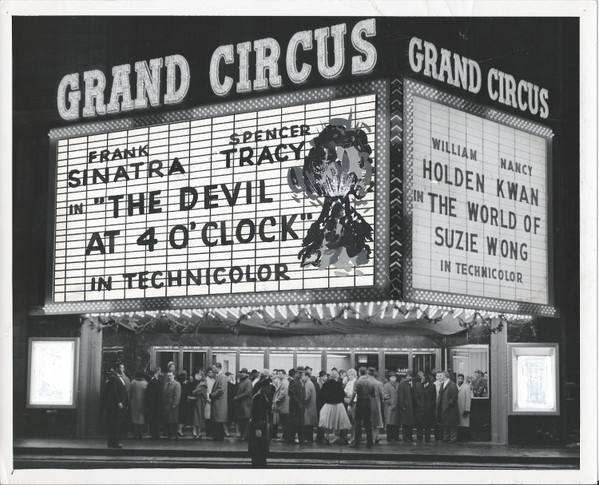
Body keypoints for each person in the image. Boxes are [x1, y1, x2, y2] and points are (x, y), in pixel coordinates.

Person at [318, 370, 351, 444]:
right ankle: (335, 437)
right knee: (338, 422)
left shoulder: (325, 384)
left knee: (327, 422)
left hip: (328, 405)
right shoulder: (338, 384)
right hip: (338, 405)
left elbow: (321, 395)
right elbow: (342, 395)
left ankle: (327, 437)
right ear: (337, 376)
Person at [104, 363, 129, 448]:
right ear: (117, 369)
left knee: (117, 424)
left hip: (121, 404)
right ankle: (113, 442)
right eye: (121, 368)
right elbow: (113, 391)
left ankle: (113, 442)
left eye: (123, 368)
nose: (123, 369)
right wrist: (118, 402)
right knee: (115, 423)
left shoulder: (119, 378)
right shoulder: (113, 378)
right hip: (116, 406)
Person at [348, 367, 375, 448]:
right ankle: (369, 442)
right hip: (368, 402)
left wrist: (350, 404)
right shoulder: (371, 382)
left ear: (359, 373)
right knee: (368, 423)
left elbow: (354, 393)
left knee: (358, 423)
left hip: (360, 402)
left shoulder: (358, 382)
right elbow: (373, 394)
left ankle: (356, 443)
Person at [249, 374, 272, 467]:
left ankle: (260, 462)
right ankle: (258, 463)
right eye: (268, 386)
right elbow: (257, 413)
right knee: (258, 445)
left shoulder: (263, 396)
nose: (269, 388)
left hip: (262, 424)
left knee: (261, 445)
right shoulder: (259, 397)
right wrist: (257, 428)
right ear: (264, 387)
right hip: (259, 425)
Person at [437, 370, 460, 443]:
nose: (440, 377)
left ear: (445, 376)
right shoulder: (443, 384)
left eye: (441, 375)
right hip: (443, 407)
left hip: (450, 408)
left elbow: (454, 396)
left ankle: (453, 438)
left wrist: (449, 403)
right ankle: (446, 437)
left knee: (451, 424)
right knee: (445, 423)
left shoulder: (452, 384)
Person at [414, 372, 437, 442]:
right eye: (421, 378)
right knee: (419, 424)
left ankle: (427, 438)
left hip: (429, 408)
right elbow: (416, 396)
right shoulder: (418, 385)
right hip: (420, 408)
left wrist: (430, 406)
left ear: (427, 379)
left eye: (423, 379)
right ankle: (419, 438)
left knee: (428, 424)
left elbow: (434, 397)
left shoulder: (432, 386)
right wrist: (419, 404)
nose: (421, 380)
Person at [286, 367, 306, 444]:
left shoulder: (300, 381)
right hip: (295, 407)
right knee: (296, 424)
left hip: (299, 406)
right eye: (300, 373)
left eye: (302, 373)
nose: (301, 374)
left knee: (297, 424)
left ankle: (296, 439)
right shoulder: (294, 381)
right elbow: (291, 393)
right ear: (297, 373)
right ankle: (299, 440)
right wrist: (298, 403)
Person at [210, 362, 229, 441]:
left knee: (218, 420)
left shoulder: (222, 377)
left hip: (219, 402)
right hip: (218, 401)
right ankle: (218, 436)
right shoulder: (220, 376)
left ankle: (218, 437)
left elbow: (221, 389)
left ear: (218, 367)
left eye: (214, 368)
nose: (212, 369)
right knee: (218, 420)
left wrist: (212, 394)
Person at [367, 368, 386, 444]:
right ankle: (374, 438)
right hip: (376, 404)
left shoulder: (364, 382)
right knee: (376, 422)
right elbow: (383, 395)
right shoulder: (379, 383)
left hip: (366, 404)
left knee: (368, 422)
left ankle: (371, 438)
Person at [233, 368, 253, 440]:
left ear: (246, 374)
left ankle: (246, 435)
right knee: (242, 420)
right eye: (241, 373)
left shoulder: (248, 382)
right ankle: (242, 434)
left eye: (243, 373)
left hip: (245, 404)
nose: (242, 374)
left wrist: (237, 397)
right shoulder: (241, 381)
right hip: (241, 404)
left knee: (246, 420)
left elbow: (247, 392)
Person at [397, 371, 416, 443]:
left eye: (410, 376)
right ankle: (406, 437)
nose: (409, 377)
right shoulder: (402, 385)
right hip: (406, 406)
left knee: (411, 423)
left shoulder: (414, 384)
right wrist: (402, 406)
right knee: (405, 424)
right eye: (407, 376)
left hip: (412, 407)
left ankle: (410, 436)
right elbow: (400, 396)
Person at [162, 370, 181, 439]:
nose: (169, 377)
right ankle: (168, 434)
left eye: (170, 376)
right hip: (166, 405)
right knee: (167, 420)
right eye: (168, 376)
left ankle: (173, 434)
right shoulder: (166, 384)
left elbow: (177, 395)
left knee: (173, 420)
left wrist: (175, 404)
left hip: (172, 405)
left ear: (174, 376)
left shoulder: (176, 384)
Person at [272, 369, 289, 440]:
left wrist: (276, 401)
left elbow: (283, 394)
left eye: (280, 374)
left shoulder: (284, 383)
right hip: (283, 405)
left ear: (284, 374)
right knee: (284, 422)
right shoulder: (282, 382)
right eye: (278, 374)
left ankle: (285, 436)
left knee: (284, 422)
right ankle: (285, 436)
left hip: (283, 405)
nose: (278, 375)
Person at [146, 367, 163, 440]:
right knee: (155, 420)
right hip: (155, 405)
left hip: (154, 404)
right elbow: (153, 395)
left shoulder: (153, 381)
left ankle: (155, 433)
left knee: (155, 420)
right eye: (160, 371)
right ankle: (155, 434)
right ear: (157, 371)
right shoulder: (154, 382)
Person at [130, 371, 148, 439]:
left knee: (134, 418)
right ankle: (140, 433)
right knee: (141, 418)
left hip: (134, 402)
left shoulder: (133, 382)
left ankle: (135, 433)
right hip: (142, 403)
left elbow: (130, 392)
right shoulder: (145, 383)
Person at [383, 371, 400, 441]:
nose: (393, 378)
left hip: (397, 407)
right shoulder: (386, 385)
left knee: (396, 423)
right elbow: (386, 396)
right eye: (392, 377)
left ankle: (396, 437)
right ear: (389, 378)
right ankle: (390, 437)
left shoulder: (398, 384)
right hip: (389, 407)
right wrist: (393, 403)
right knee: (389, 423)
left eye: (394, 377)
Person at [191, 370, 207, 439]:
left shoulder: (202, 384)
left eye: (199, 375)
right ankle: (198, 433)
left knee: (198, 417)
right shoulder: (201, 383)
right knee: (197, 417)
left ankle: (199, 433)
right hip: (198, 402)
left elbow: (195, 392)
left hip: (200, 402)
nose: (197, 376)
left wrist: (194, 391)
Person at [302, 370, 318, 443]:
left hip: (308, 407)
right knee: (309, 425)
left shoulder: (308, 384)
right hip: (311, 407)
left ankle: (308, 439)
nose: (302, 377)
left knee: (308, 425)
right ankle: (309, 439)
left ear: (307, 376)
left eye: (303, 376)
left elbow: (307, 396)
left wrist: (301, 402)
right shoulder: (310, 383)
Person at [457, 374, 472, 442]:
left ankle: (465, 438)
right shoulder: (456, 386)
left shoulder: (466, 387)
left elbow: (468, 399)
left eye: (461, 378)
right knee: (459, 423)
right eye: (459, 378)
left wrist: (467, 409)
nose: (460, 380)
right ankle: (460, 437)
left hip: (463, 407)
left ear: (463, 379)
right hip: (457, 408)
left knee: (465, 423)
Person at [176, 371, 191, 437]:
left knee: (179, 417)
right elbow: (186, 394)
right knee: (182, 417)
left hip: (179, 403)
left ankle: (178, 430)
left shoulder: (178, 384)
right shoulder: (185, 385)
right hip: (183, 403)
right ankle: (179, 430)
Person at [205, 368, 216, 438]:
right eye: (209, 372)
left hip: (213, 399)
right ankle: (208, 432)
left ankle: (212, 431)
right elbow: (205, 391)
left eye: (212, 372)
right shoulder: (205, 380)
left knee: (212, 416)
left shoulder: (214, 380)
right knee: (207, 417)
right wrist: (207, 398)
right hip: (208, 399)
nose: (211, 373)